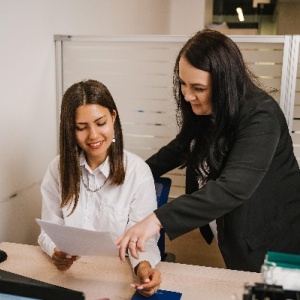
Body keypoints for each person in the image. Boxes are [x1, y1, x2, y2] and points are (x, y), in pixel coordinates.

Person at [116, 29, 300, 273]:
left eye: (198, 88)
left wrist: (157, 219)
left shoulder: (261, 116)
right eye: (183, 84)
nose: (188, 95)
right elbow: (177, 149)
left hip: (272, 238)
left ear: (225, 84)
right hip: (235, 232)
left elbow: (232, 187)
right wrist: (127, 175)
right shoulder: (209, 110)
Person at [38, 79, 161, 297]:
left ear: (113, 117)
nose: (93, 136)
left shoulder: (137, 172)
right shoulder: (57, 169)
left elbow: (143, 240)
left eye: (100, 123)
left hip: (116, 277)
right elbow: (49, 229)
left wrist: (143, 268)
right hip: (72, 278)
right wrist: (56, 251)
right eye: (81, 128)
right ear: (70, 130)